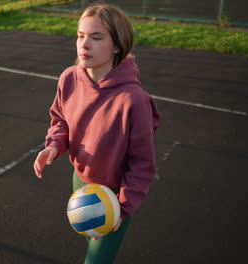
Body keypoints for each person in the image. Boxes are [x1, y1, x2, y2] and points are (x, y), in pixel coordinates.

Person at [33, 3, 160, 263]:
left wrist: (121, 209)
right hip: (80, 184)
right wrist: (54, 145)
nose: (84, 44)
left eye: (96, 37)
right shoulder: (68, 78)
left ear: (117, 45)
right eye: (80, 36)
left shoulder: (134, 101)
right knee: (93, 244)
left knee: (96, 260)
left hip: (113, 196)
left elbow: (142, 165)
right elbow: (60, 119)